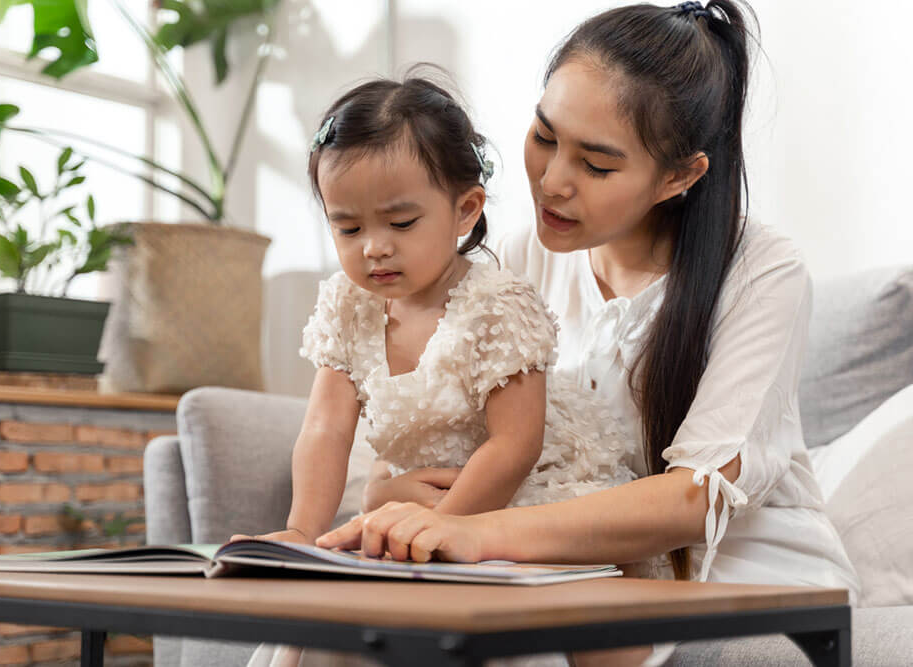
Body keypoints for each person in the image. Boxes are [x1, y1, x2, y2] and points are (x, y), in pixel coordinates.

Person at [318, 1, 860, 665]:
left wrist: (475, 532)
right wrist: (393, 499)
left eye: (596, 165)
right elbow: (455, 440)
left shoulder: (759, 271)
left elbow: (696, 499)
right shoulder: (510, 262)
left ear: (680, 176)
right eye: (544, 136)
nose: (551, 180)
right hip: (556, 560)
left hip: (735, 574)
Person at [241, 73, 638, 667]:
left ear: (464, 210)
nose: (373, 246)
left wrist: (444, 532)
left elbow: (515, 445)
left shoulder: (497, 305)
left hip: (513, 500)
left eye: (400, 224)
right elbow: (325, 429)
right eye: (347, 227)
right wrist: (302, 532)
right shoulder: (348, 306)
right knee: (322, 620)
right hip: (420, 505)